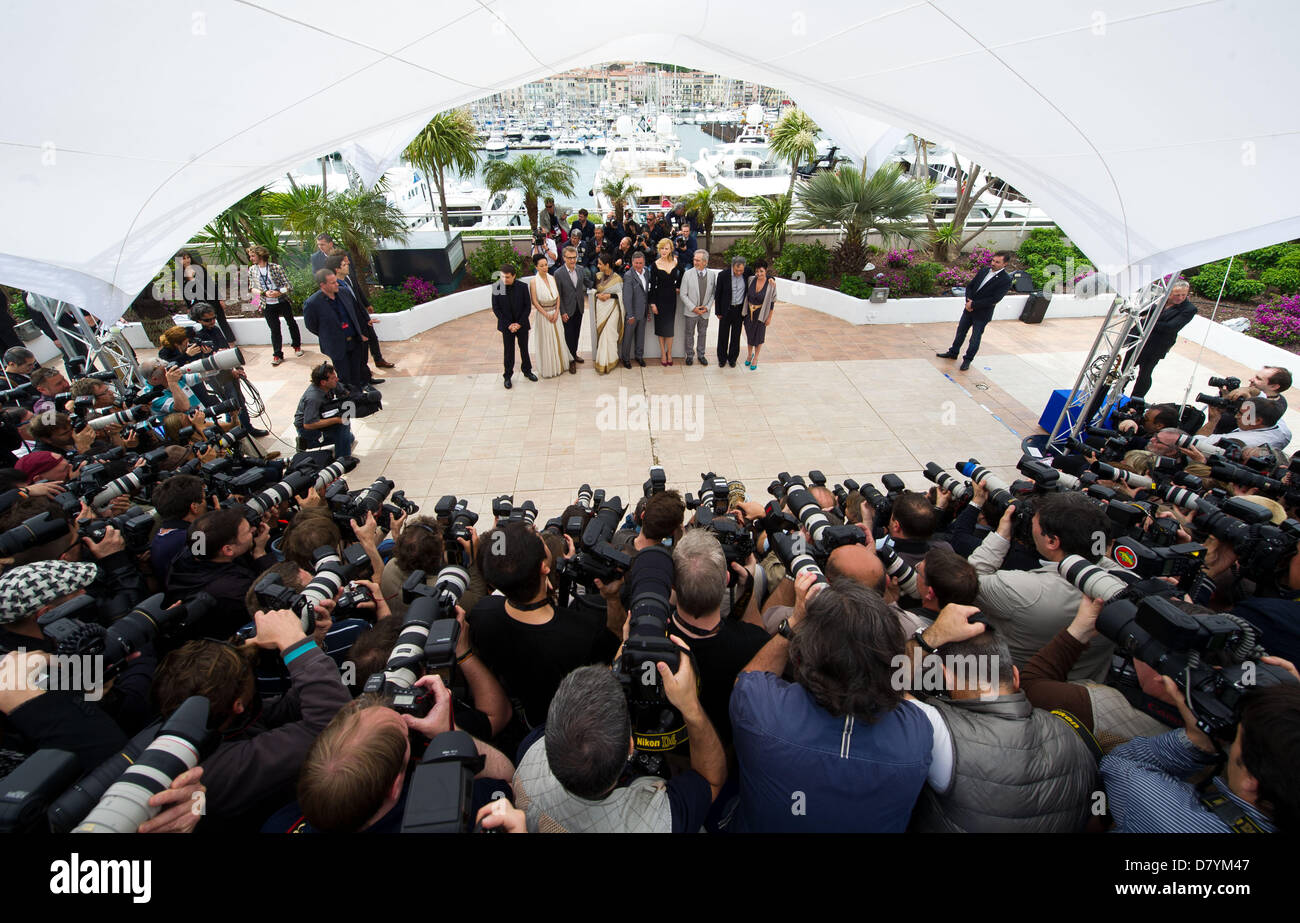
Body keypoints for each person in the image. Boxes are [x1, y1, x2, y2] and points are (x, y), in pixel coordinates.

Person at [729, 576, 934, 832]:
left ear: (801, 658)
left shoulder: (759, 710)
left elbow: (746, 682)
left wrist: (792, 623)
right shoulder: (917, 735)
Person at [904, 603, 1098, 832]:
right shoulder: (1069, 732)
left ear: (947, 678)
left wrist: (930, 637)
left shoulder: (939, 732)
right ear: (1015, 676)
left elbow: (876, 685)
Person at [511, 661, 726, 833]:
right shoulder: (660, 823)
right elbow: (710, 780)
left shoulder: (529, 754)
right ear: (630, 747)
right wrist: (690, 706)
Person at [468, 522, 619, 731]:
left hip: (531, 718)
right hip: (572, 724)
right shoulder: (581, 631)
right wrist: (612, 598)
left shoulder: (483, 614)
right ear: (544, 568)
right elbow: (615, 643)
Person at [1101, 675, 1300, 832]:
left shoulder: (1176, 820)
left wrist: (1197, 739)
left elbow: (1119, 762)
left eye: (1237, 738)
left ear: (1251, 780)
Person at [968, 487, 1118, 681]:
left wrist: (1001, 534)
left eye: (1033, 523)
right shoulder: (1120, 583)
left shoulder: (1021, 589)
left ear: (1052, 541)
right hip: (1086, 688)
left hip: (1017, 685)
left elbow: (968, 580)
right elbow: (1101, 559)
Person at [937, 250, 1015, 370]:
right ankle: (953, 352)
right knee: (960, 332)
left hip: (982, 313)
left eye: (997, 262)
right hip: (969, 308)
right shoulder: (984, 270)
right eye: (993, 260)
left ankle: (967, 360)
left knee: (975, 337)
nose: (993, 263)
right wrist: (968, 301)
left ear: (1005, 264)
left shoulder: (1005, 280)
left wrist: (974, 304)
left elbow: (995, 298)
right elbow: (971, 286)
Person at [325, 251, 395, 373]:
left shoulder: (349, 274)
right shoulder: (335, 287)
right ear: (337, 268)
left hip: (361, 313)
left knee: (372, 337)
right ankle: (363, 374)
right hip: (353, 320)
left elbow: (357, 290)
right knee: (360, 348)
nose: (348, 263)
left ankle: (376, 361)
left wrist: (366, 304)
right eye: (345, 262)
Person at [1126, 279, 1198, 398]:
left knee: (1145, 373)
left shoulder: (1189, 309)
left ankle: (1136, 399)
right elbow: (1142, 311)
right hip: (1139, 339)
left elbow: (1171, 327)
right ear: (1169, 293)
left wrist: (1145, 322)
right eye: (1177, 295)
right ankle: (1118, 392)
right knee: (1126, 368)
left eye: (1183, 295)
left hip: (1157, 345)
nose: (1180, 298)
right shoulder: (1160, 300)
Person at [302, 270, 365, 390]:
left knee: (357, 374)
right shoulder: (312, 303)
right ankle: (347, 402)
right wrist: (328, 334)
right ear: (323, 285)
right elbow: (311, 326)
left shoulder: (344, 292)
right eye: (332, 283)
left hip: (355, 342)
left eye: (336, 281)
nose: (337, 284)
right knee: (344, 377)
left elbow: (355, 313)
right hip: (337, 346)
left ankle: (358, 398)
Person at [247, 245, 301, 367]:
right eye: (250, 256)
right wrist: (263, 293)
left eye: (253, 255)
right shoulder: (252, 270)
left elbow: (288, 286)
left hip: (281, 301)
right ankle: (277, 354)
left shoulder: (276, 268)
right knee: (274, 329)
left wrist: (278, 292)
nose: (251, 258)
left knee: (291, 323)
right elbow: (252, 288)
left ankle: (297, 346)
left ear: (260, 255)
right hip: (267, 304)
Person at [293, 361, 355, 458]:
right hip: (307, 428)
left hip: (321, 415)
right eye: (333, 378)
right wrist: (336, 420)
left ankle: (308, 443)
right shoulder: (313, 398)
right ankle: (343, 459)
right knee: (343, 425)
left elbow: (346, 394)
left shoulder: (331, 384)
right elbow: (308, 424)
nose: (337, 379)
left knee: (349, 438)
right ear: (323, 382)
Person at [176, 250, 236, 343]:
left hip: (211, 297)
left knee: (222, 320)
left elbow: (211, 283)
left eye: (188, 257)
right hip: (198, 301)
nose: (187, 260)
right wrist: (189, 306)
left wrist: (220, 299)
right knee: (206, 323)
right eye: (184, 259)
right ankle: (214, 343)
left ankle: (231, 342)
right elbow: (185, 292)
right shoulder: (179, 274)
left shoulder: (199, 268)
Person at [492, 265, 536, 389]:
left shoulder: (522, 287)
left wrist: (519, 323)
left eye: (507, 277)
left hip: (521, 324)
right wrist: (509, 324)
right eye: (502, 276)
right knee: (508, 351)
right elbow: (496, 309)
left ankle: (527, 371)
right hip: (507, 326)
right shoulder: (497, 287)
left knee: (524, 349)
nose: (504, 279)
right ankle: (507, 376)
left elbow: (527, 307)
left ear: (514, 276)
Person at [528, 254, 572, 378]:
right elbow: (535, 302)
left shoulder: (552, 278)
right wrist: (546, 314)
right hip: (544, 315)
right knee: (547, 340)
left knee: (559, 337)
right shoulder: (533, 282)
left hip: (555, 313)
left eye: (546, 265)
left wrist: (557, 311)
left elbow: (558, 296)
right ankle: (550, 366)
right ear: (536, 267)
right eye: (541, 266)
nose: (544, 268)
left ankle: (560, 364)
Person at [1200, 395, 1293, 451]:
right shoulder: (1283, 431)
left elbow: (1196, 443)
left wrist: (1213, 420)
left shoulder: (1240, 440)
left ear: (1257, 421)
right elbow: (1267, 405)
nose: (1236, 416)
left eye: (1241, 414)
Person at [649, 239, 682, 365]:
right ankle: (663, 353)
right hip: (659, 298)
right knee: (661, 328)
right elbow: (652, 286)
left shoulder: (675, 262)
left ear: (670, 250)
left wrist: (678, 286)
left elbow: (683, 273)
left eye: (666, 248)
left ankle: (670, 353)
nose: (664, 251)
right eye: (662, 248)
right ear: (659, 249)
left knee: (670, 329)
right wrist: (652, 303)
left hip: (671, 299)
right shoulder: (655, 265)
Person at [678, 250, 714, 366]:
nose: (695, 262)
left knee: (702, 333)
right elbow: (683, 294)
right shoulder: (687, 274)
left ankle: (701, 355)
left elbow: (713, 293)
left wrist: (707, 307)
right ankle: (689, 355)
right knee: (689, 333)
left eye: (698, 260)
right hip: (691, 312)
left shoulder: (712, 275)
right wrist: (693, 308)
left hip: (704, 312)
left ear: (705, 262)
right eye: (694, 259)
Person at [714, 257, 750, 369]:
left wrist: (771, 278)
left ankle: (732, 359)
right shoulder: (723, 275)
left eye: (741, 271)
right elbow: (718, 294)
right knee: (723, 335)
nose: (739, 273)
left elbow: (761, 275)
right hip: (726, 310)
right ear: (732, 266)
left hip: (739, 310)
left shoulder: (747, 272)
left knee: (736, 335)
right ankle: (722, 358)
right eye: (736, 270)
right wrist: (718, 312)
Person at [554, 246, 587, 371]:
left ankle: (574, 354)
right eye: (570, 258)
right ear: (564, 258)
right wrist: (562, 311)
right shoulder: (558, 273)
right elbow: (559, 295)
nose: (572, 260)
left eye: (574, 257)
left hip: (579, 307)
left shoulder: (580, 269)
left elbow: (587, 283)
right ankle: (570, 360)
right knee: (569, 334)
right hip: (567, 309)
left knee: (577, 333)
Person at [592, 253, 624, 375]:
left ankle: (611, 361)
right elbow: (592, 289)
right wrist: (597, 294)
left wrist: (609, 295)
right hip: (601, 308)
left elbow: (621, 295)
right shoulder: (598, 276)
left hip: (613, 309)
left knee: (609, 334)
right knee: (602, 335)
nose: (598, 265)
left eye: (600, 263)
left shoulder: (618, 278)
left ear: (607, 265)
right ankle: (601, 362)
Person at [742, 259, 777, 370]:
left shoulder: (771, 283)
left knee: (759, 337)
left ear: (766, 271)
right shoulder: (751, 279)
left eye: (761, 271)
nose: (759, 274)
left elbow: (772, 302)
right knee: (749, 335)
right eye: (757, 271)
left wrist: (769, 318)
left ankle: (756, 358)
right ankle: (749, 354)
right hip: (749, 313)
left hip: (761, 314)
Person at [620, 250, 650, 369]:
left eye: (641, 263)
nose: (638, 265)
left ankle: (639, 356)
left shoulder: (647, 272)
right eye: (636, 263)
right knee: (628, 337)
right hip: (632, 313)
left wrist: (647, 310)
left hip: (642, 311)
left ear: (644, 263)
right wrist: (630, 315)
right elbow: (627, 298)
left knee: (640, 336)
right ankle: (625, 359)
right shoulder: (628, 276)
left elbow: (645, 293)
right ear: (632, 262)